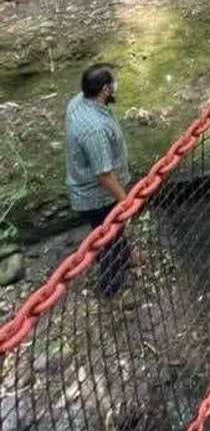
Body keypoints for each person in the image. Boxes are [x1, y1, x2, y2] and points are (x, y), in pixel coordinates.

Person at [65, 63, 132, 297]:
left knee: (113, 233)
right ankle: (110, 286)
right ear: (104, 90)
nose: (115, 87)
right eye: (112, 84)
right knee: (108, 240)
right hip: (98, 197)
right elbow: (104, 175)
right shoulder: (95, 130)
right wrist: (126, 202)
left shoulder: (77, 103)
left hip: (89, 188)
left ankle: (125, 257)